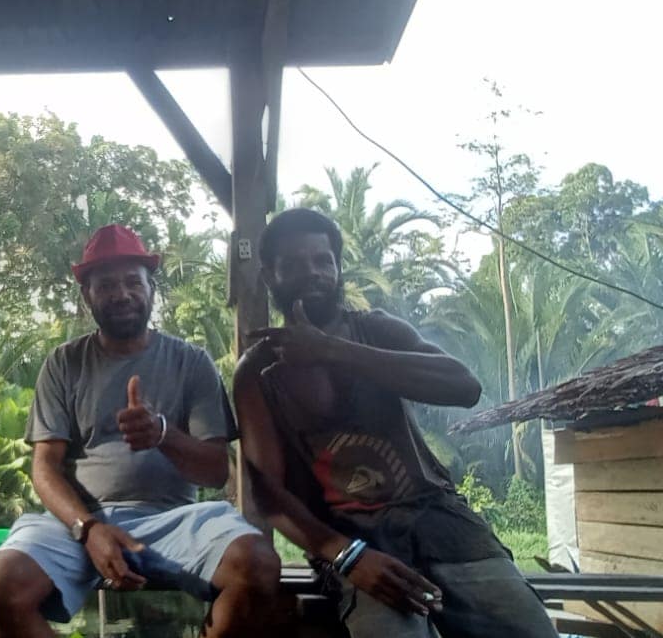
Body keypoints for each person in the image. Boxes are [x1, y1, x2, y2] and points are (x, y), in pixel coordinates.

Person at [232, 208, 556, 637]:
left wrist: (330, 350)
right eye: (292, 264)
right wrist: (347, 555)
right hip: (352, 538)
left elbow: (464, 386)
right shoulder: (257, 373)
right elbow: (268, 494)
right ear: (269, 277)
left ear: (338, 268)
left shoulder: (378, 330)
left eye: (322, 260)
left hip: (444, 523)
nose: (312, 273)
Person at [0, 224, 281, 638]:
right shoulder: (63, 363)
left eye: (132, 282)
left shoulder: (191, 362)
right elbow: (45, 468)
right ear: (87, 295)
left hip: (172, 519)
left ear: (151, 289)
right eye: (106, 285)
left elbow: (216, 471)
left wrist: (163, 435)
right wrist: (88, 529)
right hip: (76, 523)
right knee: (2, 582)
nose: (121, 294)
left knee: (258, 564)